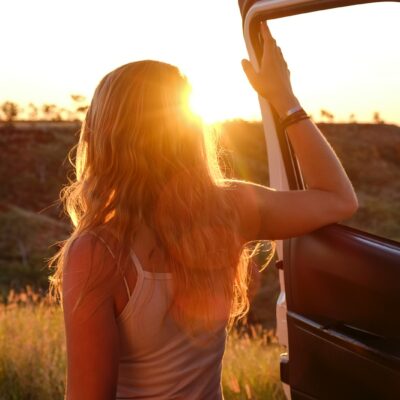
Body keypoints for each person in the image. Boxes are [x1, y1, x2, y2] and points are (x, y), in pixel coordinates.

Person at [49, 21, 358, 400]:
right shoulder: (230, 209)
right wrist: (284, 100)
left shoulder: (98, 252)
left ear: (102, 136)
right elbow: (337, 198)